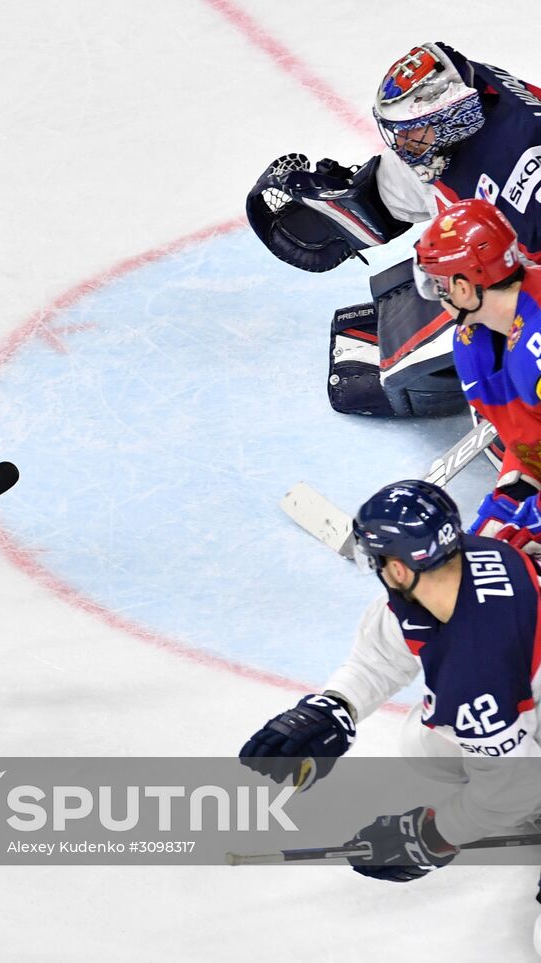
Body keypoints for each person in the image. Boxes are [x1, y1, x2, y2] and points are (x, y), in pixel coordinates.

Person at [240, 480, 541, 882]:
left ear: (398, 568)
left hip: (506, 690)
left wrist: (435, 836)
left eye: (376, 560)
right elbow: (387, 648)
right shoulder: (468, 557)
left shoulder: (477, 668)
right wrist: (334, 706)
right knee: (428, 744)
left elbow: (513, 788)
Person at [246, 42, 541, 425]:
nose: (404, 144)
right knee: (425, 190)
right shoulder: (472, 87)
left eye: (412, 134)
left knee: (431, 352)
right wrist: (356, 199)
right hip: (508, 214)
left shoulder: (516, 174)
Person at [413, 198, 541, 546]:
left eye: (439, 284)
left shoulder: (537, 341)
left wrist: (533, 522)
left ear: (463, 288)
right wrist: (511, 493)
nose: (436, 294)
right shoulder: (476, 336)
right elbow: (528, 436)